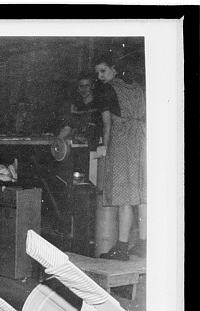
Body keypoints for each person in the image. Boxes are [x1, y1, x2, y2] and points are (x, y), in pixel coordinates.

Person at [93, 55, 147, 261]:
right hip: (141, 139)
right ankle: (143, 244)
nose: (99, 76)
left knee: (124, 195)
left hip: (123, 141)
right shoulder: (136, 87)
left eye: (103, 71)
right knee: (142, 196)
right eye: (98, 72)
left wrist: (104, 147)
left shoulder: (107, 90)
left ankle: (122, 247)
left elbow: (107, 124)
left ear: (114, 69)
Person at [57, 72, 102, 146]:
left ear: (92, 86)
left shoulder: (99, 104)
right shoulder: (75, 105)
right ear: (78, 88)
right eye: (81, 86)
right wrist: (59, 141)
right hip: (76, 146)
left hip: (95, 146)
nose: (84, 89)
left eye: (87, 86)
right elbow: (67, 127)